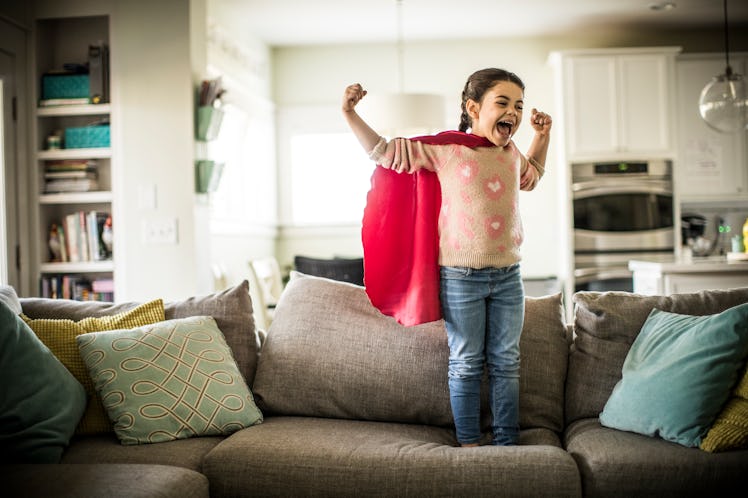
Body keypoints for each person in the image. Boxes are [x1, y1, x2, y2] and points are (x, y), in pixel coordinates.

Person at [342, 68, 552, 447]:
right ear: (473, 107)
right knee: (468, 362)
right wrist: (350, 114)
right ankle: (469, 442)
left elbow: (532, 175)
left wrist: (542, 137)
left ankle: (507, 443)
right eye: (502, 103)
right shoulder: (446, 149)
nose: (514, 113)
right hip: (461, 277)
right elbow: (384, 153)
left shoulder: (510, 153)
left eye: (518, 106)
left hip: (508, 275)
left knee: (507, 363)